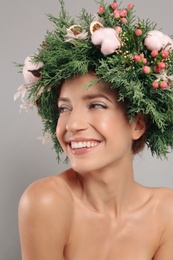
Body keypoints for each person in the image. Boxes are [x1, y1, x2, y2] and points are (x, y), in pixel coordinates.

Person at [15, 0, 173, 259]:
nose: (73, 125)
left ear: (137, 123)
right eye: (64, 108)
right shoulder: (46, 202)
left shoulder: (167, 213)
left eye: (97, 105)